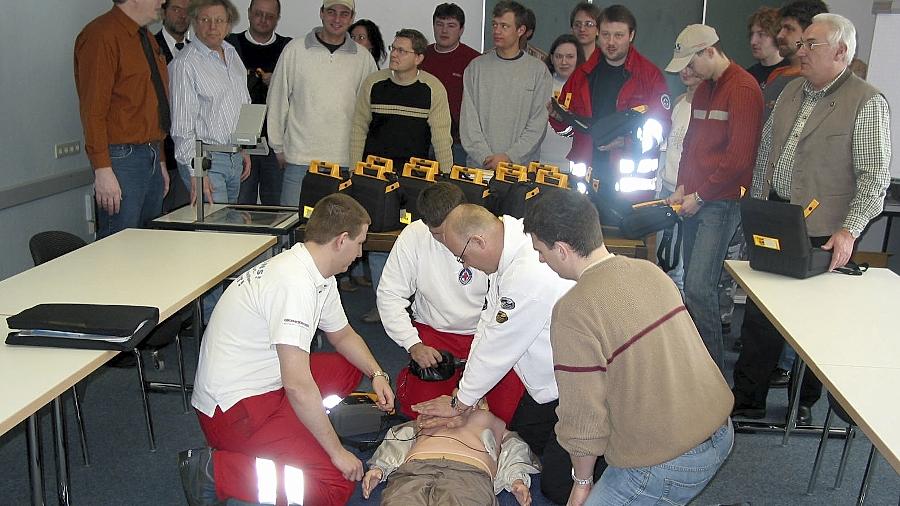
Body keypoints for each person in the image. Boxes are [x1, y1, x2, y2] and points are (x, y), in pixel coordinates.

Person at [523, 189, 734, 506]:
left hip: (670, 462)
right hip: (721, 431)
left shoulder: (573, 310)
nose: (541, 259)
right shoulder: (649, 270)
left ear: (562, 250)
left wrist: (582, 482)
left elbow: (583, 417)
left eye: (541, 250)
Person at [182, 193, 395, 506]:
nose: (361, 254)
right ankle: (218, 471)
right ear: (341, 240)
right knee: (334, 485)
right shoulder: (294, 284)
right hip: (233, 414)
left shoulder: (315, 272)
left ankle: (303, 425)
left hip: (264, 385)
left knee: (350, 366)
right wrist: (336, 452)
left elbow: (343, 335)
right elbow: (297, 384)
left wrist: (377, 374)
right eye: (360, 243)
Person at [731, 13, 891, 426]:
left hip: (824, 229)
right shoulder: (790, 92)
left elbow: (874, 178)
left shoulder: (866, 101)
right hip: (777, 218)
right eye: (801, 43)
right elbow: (766, 152)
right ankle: (747, 402)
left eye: (812, 45)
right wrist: (757, 206)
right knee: (760, 316)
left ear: (840, 51)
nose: (801, 51)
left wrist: (850, 230)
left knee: (813, 330)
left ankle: (801, 404)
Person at [412, 204, 589, 505]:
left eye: (463, 257)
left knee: (557, 486)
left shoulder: (528, 269)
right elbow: (487, 325)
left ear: (479, 242)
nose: (465, 265)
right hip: (552, 377)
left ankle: (624, 461)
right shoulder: (508, 245)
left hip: (583, 384)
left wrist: (460, 403)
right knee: (523, 432)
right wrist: (463, 394)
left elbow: (499, 346)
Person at [376, 183, 524, 423]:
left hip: (487, 334)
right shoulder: (413, 237)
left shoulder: (489, 237)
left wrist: (481, 359)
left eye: (450, 232)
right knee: (422, 414)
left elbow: (503, 316)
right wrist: (412, 344)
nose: (446, 241)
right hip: (434, 336)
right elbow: (389, 296)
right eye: (437, 235)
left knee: (504, 416)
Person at [664, 24, 763, 372]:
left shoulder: (743, 89)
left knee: (699, 289)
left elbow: (738, 158)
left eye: (691, 63)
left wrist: (701, 195)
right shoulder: (704, 89)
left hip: (720, 203)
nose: (687, 72)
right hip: (697, 199)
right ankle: (696, 369)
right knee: (694, 286)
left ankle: (713, 378)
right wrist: (680, 186)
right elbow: (691, 146)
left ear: (709, 51)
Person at [74, 0, 171, 239]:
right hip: (121, 159)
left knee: (147, 244)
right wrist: (103, 170)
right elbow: (93, 110)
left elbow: (151, 104)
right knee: (119, 247)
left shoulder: (145, 38)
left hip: (149, 153)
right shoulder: (102, 36)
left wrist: (159, 160)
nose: (162, 1)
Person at [267, 0, 377, 206]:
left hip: (344, 163)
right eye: (331, 12)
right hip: (300, 161)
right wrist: (278, 146)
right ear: (321, 13)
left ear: (352, 18)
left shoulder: (363, 58)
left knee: (339, 233)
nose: (337, 19)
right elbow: (277, 99)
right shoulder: (295, 50)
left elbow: (369, 111)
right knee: (291, 227)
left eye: (344, 14)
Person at [552, 5, 670, 196]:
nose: (611, 42)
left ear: (631, 35)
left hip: (631, 189)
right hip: (585, 184)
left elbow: (660, 128)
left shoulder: (650, 77)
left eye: (619, 35)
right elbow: (569, 130)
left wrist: (626, 142)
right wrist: (557, 118)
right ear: (598, 33)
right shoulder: (583, 75)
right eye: (606, 34)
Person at [362, 408, 539, 505]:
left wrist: (516, 480)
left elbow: (515, 451)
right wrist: (380, 467)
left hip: (468, 474)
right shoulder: (434, 415)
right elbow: (401, 436)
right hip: (415, 468)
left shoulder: (493, 422)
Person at [169, 0, 251, 206]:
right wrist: (198, 171)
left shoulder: (232, 55)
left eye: (219, 20)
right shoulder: (185, 64)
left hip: (234, 157)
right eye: (205, 20)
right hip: (206, 161)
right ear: (194, 22)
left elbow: (243, 105)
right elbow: (182, 128)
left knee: (230, 226)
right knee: (215, 231)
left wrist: (244, 148)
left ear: (228, 25)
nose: (212, 26)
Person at [460, 1, 552, 169]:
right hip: (480, 167)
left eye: (504, 26)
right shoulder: (475, 68)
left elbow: (538, 124)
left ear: (521, 30)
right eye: (494, 25)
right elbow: (468, 121)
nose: (497, 31)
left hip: (520, 170)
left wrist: (509, 157)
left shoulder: (538, 71)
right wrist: (486, 157)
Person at [350, 29, 453, 172]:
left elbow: (441, 139)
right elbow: (358, 129)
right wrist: (353, 170)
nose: (393, 54)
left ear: (418, 58)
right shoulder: (373, 83)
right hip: (374, 173)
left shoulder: (433, 88)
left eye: (402, 51)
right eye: (393, 48)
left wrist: (447, 176)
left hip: (414, 176)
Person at [227, 0, 291, 206]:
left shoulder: (288, 49)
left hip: (276, 144)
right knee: (240, 205)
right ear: (248, 13)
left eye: (270, 16)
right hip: (239, 143)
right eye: (258, 14)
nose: (263, 20)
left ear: (278, 18)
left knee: (279, 210)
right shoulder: (228, 45)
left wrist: (279, 81)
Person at [656, 65, 702, 295]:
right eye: (683, 66)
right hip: (667, 187)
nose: (686, 71)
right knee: (663, 257)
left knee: (680, 266)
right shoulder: (678, 102)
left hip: (690, 194)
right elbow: (666, 147)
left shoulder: (708, 106)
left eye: (693, 66)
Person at [419, 3, 481, 168]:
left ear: (461, 30)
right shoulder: (420, 56)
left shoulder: (474, 61)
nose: (444, 31)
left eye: (451, 25)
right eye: (439, 24)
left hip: (458, 144)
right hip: (422, 141)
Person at [764, 0, 829, 116]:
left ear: (810, 32)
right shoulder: (776, 75)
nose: (780, 35)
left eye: (788, 29)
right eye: (780, 29)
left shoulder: (818, 82)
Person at [156, 0, 191, 212]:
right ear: (164, 11)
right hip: (162, 152)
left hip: (189, 155)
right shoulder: (150, 46)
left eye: (187, 11)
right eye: (176, 9)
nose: (182, 15)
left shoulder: (198, 51)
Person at [539, 34, 584, 171]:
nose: (564, 62)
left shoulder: (587, 88)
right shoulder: (540, 84)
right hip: (539, 163)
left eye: (570, 57)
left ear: (578, 58)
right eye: (559, 56)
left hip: (574, 166)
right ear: (551, 58)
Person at [745, 6, 789, 86]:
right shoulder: (748, 76)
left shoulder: (790, 73)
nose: (753, 41)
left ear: (776, 36)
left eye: (761, 34)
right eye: (752, 34)